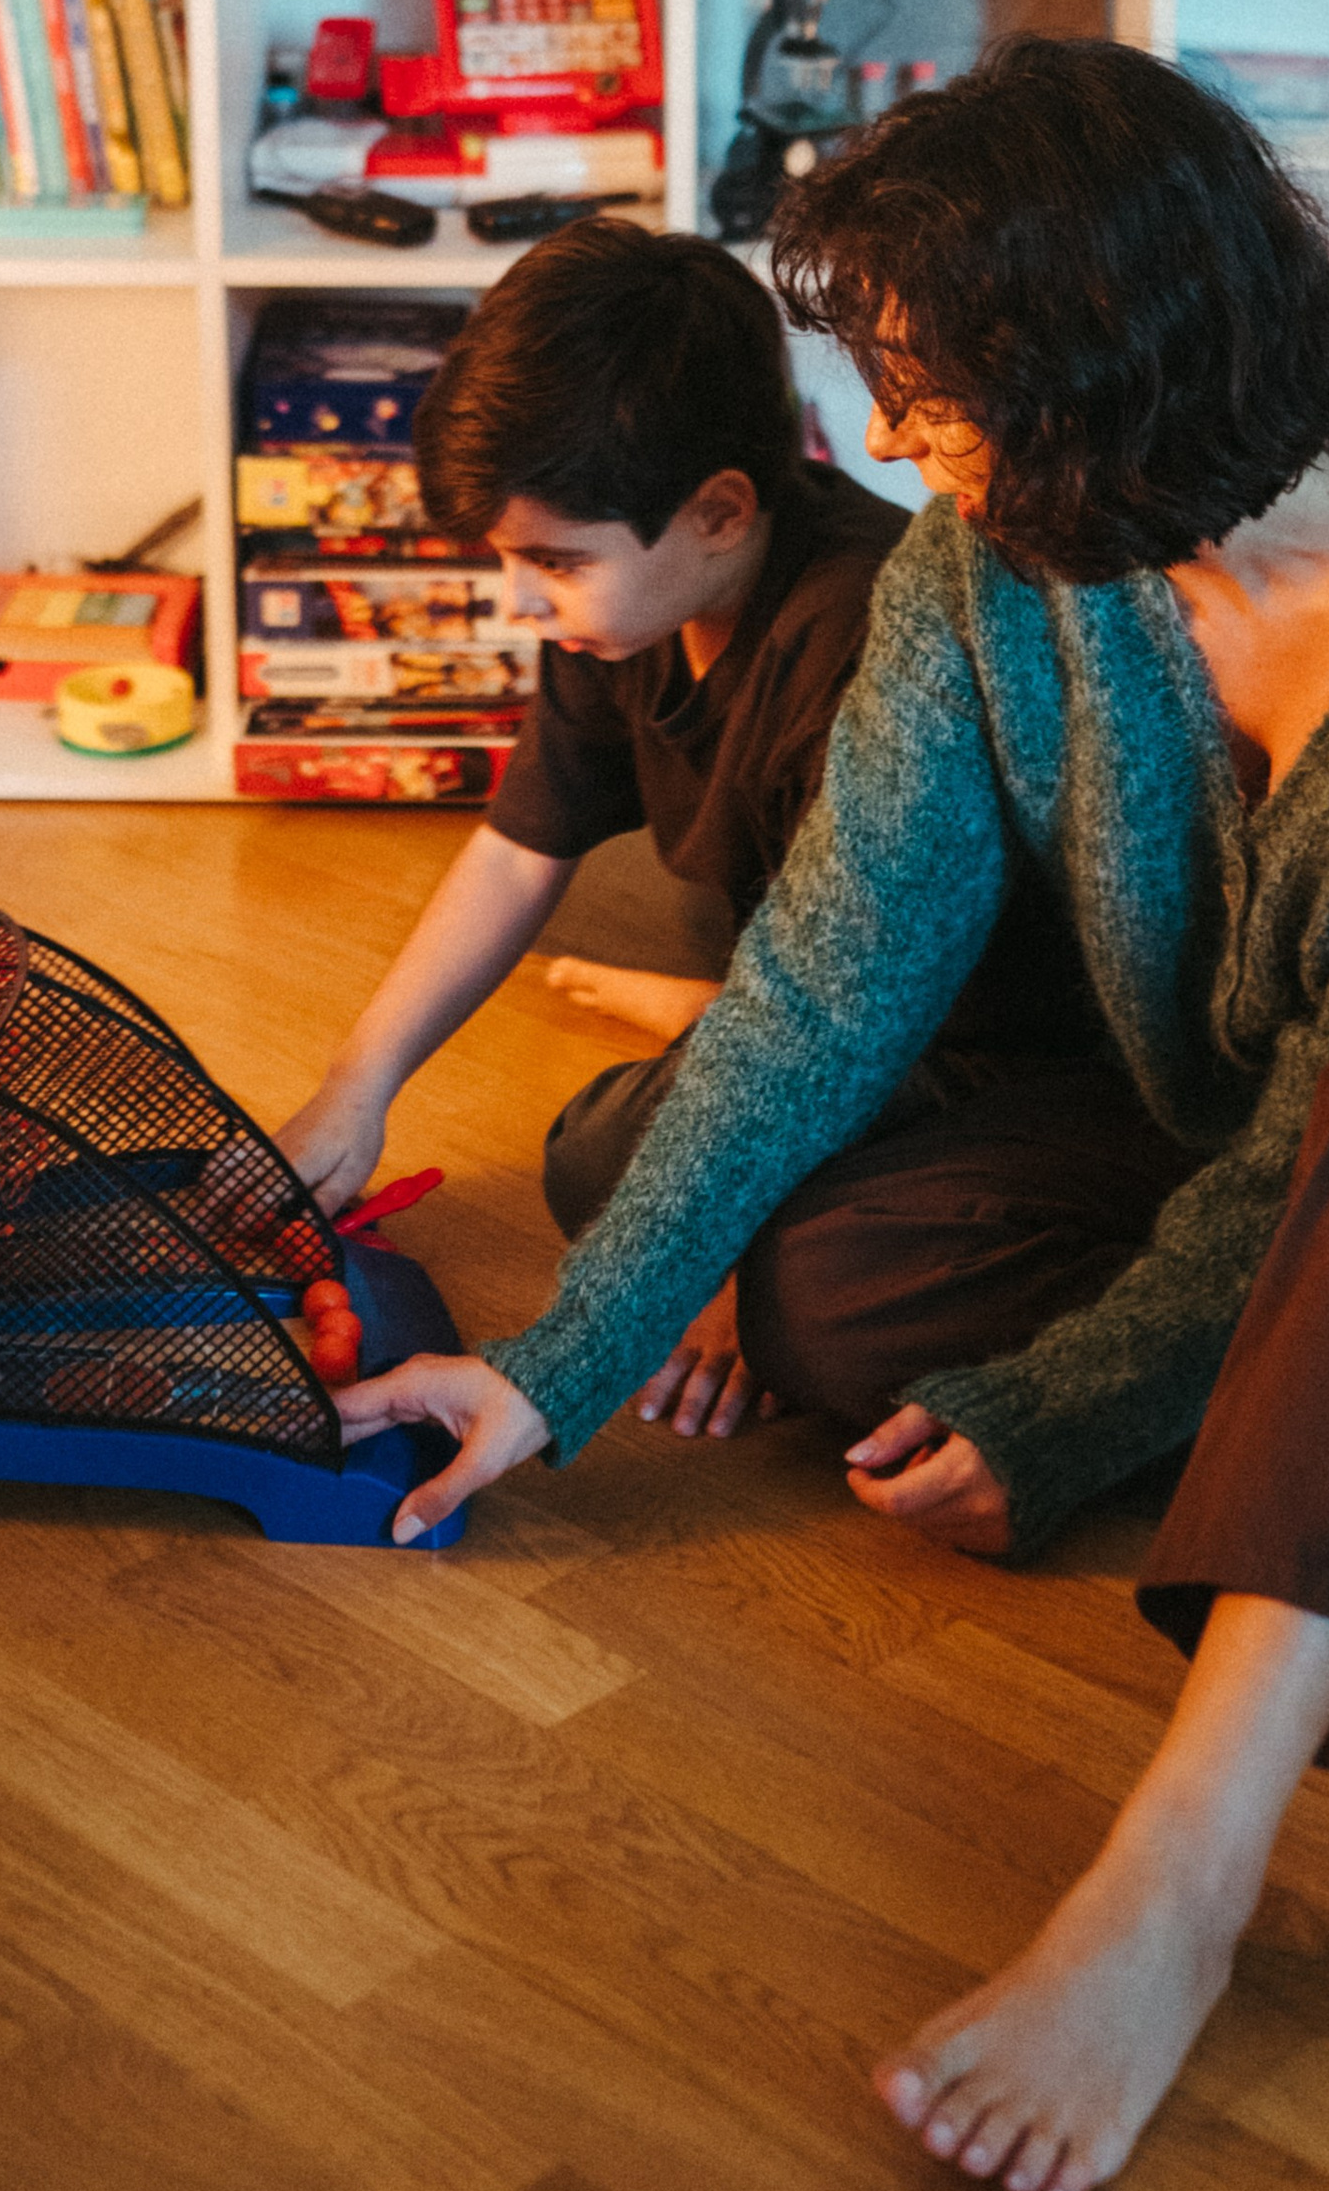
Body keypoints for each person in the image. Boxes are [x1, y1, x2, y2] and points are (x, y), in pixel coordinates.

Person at [335, 40, 1329, 2191]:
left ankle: (1174, 1886)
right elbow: (822, 982)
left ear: (1095, 373)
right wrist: (553, 1368)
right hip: (1288, 1130)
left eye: (930, 399)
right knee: (807, 1276)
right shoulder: (1005, 572)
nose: (887, 448)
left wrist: (1065, 1407)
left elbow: (1323, 1131)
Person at [277, 216, 1132, 1438]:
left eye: (553, 563)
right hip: (819, 1015)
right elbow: (520, 848)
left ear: (720, 511)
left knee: (779, 1292)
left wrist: (712, 1272)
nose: (521, 598)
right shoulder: (619, 611)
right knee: (591, 1155)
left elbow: (857, 1023)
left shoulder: (861, 644)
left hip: (982, 1051)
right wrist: (358, 1085)